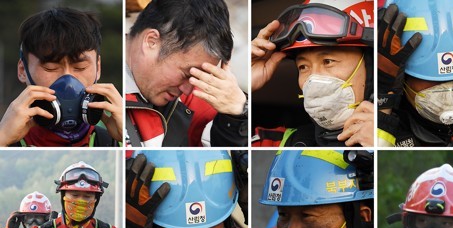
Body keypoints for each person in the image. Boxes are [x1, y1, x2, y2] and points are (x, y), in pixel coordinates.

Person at [251, 0, 375, 147]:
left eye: (328, 61)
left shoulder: (401, 138)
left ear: (371, 66)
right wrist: (243, 85)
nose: (313, 78)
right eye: (303, 67)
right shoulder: (276, 144)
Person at [125, 0, 248, 147]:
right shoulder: (102, 96)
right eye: (186, 74)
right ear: (151, 42)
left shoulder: (201, 98)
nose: (188, 89)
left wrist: (237, 116)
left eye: (199, 76)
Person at [377, 0, 453, 147]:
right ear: (400, 76)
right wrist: (383, 109)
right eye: (433, 80)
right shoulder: (381, 120)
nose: (449, 96)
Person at [0, 7, 123, 147]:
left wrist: (128, 137)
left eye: (80, 67)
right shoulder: (5, 136)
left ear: (98, 67)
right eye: (50, 68)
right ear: (23, 70)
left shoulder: (115, 137)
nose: (68, 82)